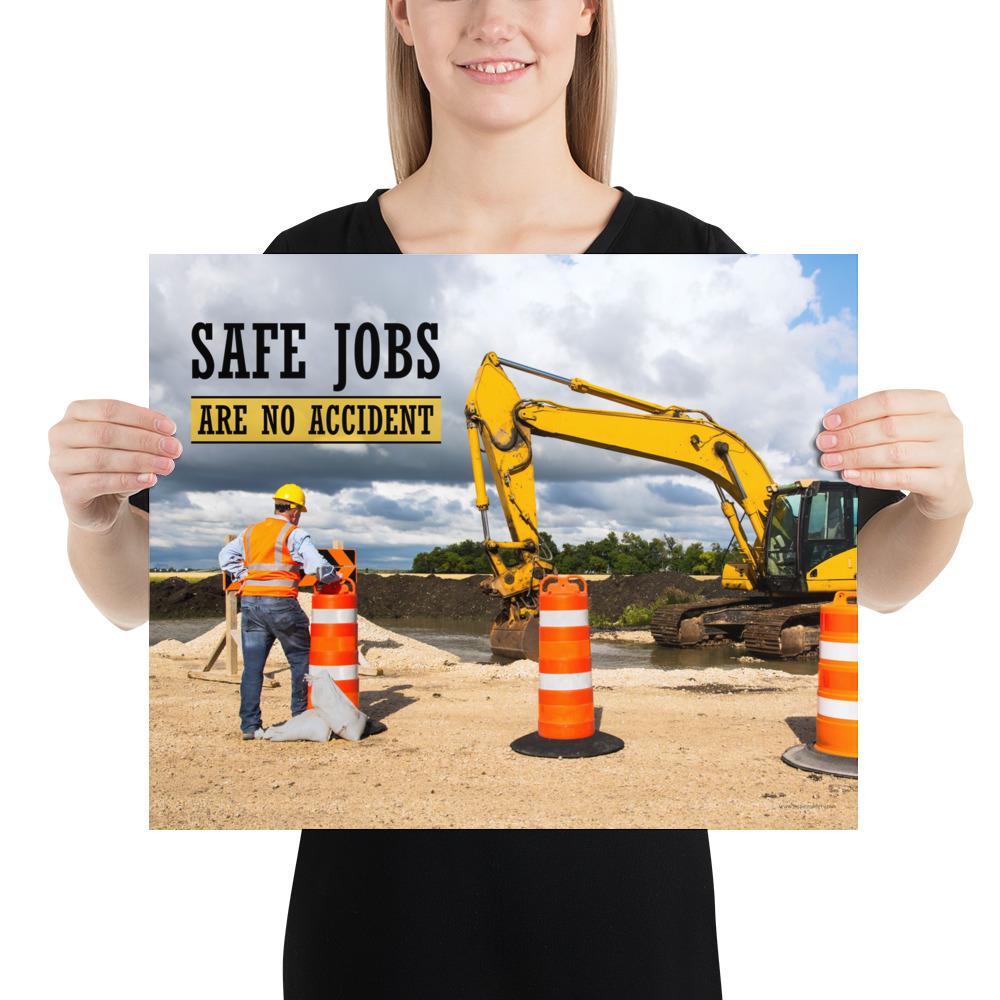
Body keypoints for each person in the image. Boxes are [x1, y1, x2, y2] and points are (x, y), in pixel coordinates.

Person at [46, 2, 973, 997]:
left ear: (586, 13)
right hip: (372, 928)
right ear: (402, 14)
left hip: (627, 932)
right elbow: (120, 600)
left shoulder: (692, 249)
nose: (495, 16)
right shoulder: (302, 260)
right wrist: (93, 516)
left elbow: (873, 588)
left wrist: (940, 505)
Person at [218, 483, 342, 739]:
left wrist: (244, 576)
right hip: (281, 604)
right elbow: (316, 566)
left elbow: (225, 557)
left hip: (250, 604)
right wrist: (333, 577)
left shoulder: (251, 532)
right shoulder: (293, 533)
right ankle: (300, 717)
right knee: (301, 659)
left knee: (252, 668)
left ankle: (250, 726)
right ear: (294, 511)